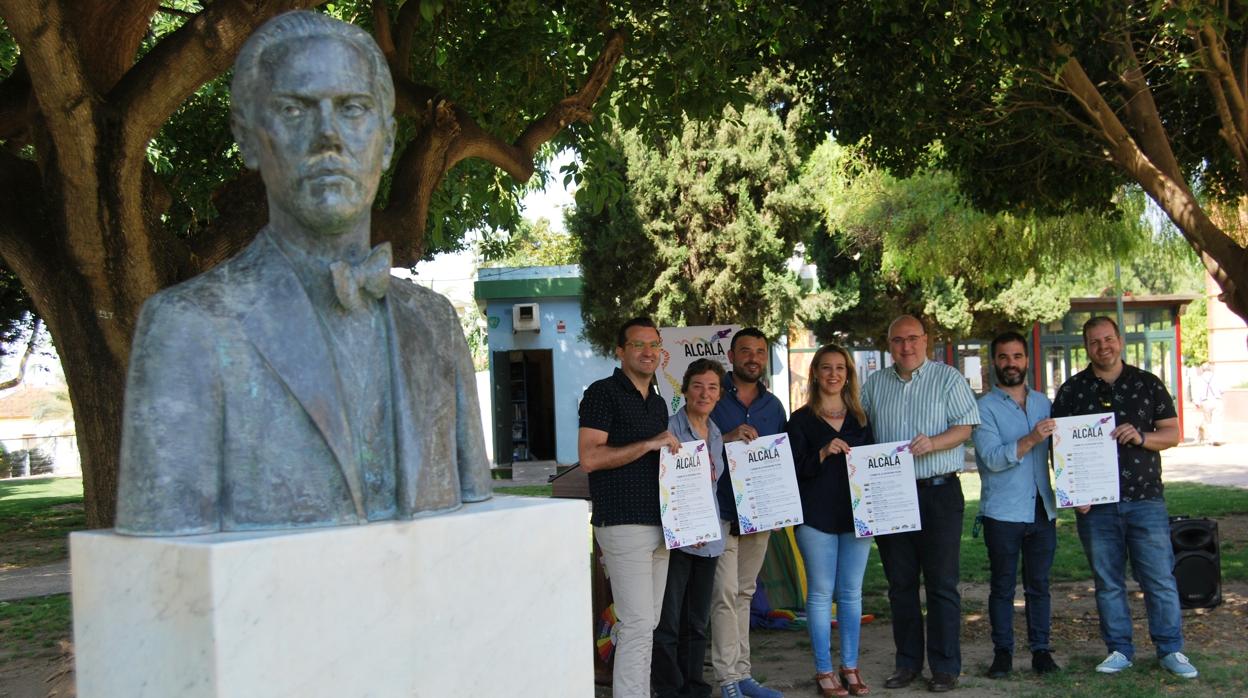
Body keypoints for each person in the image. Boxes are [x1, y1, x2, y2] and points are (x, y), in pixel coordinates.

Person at [116, 11, 491, 535]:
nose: (328, 136)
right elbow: (167, 561)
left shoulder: (435, 324)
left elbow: (477, 514)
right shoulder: (187, 329)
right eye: (294, 109)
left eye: (353, 109)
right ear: (248, 138)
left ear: (386, 142)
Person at [1051, 316, 1196, 679]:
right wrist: (1072, 494)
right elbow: (1060, 449)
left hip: (1145, 499)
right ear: (1087, 347)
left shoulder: (1148, 384)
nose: (1103, 347)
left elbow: (1173, 433)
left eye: (1108, 339)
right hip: (1095, 506)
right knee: (1108, 582)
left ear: (1120, 340)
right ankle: (1119, 650)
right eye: (1095, 342)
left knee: (1159, 579)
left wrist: (1143, 437)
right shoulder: (1071, 391)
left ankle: (1171, 650)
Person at [860, 315, 979, 693]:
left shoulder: (948, 378)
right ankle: (907, 663)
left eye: (912, 339)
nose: (906, 347)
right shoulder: (875, 385)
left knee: (942, 584)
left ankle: (944, 668)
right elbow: (859, 428)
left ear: (926, 340)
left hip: (939, 493)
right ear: (888, 343)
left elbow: (966, 427)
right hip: (889, 492)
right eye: (897, 340)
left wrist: (935, 442)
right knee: (901, 584)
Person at [579, 317, 681, 698]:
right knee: (638, 623)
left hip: (660, 524)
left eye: (654, 345)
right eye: (638, 345)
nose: (648, 352)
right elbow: (589, 457)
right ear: (620, 351)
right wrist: (649, 444)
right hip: (622, 522)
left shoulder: (656, 403)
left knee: (646, 623)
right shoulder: (601, 394)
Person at [786, 344, 875, 697]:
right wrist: (822, 452)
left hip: (857, 517)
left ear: (849, 375)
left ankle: (850, 666)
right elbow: (790, 469)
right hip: (815, 517)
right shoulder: (800, 419)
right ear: (815, 373)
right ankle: (824, 670)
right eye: (826, 367)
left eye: (841, 368)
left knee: (852, 593)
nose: (834, 374)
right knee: (822, 594)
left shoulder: (862, 420)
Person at [971, 331, 1060, 678]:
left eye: (1017, 356)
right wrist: (1031, 438)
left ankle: (1041, 652)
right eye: (1004, 357)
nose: (1011, 363)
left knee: (1039, 586)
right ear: (994, 362)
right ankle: (1002, 654)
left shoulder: (1043, 403)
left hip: (1042, 508)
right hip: (1003, 512)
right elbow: (992, 458)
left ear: (1027, 360)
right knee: (1003, 587)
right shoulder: (983, 409)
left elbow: (1060, 454)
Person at [709, 327, 788, 698]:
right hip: (719, 511)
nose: (753, 357)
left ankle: (743, 676)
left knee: (743, 592)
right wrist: (725, 439)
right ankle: (727, 680)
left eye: (759, 351)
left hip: (759, 512)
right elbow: (688, 444)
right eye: (745, 350)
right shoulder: (711, 394)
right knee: (723, 595)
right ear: (731, 354)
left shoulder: (774, 407)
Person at [653, 359, 729, 698]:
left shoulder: (715, 434)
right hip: (678, 540)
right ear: (684, 390)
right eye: (698, 385)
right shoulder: (668, 430)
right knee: (668, 622)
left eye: (712, 387)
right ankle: (670, 689)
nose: (704, 393)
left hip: (709, 540)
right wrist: (686, 527)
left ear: (719, 394)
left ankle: (694, 686)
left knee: (697, 622)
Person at [1192, 363, 1222, 445]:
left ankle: (1211, 439)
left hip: (1206, 402)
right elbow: (1221, 390)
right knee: (1217, 420)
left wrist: (1197, 402)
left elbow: (1197, 392)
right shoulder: (1216, 377)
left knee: (1208, 421)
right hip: (1217, 400)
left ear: (1202, 369)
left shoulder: (1199, 379)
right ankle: (1216, 438)